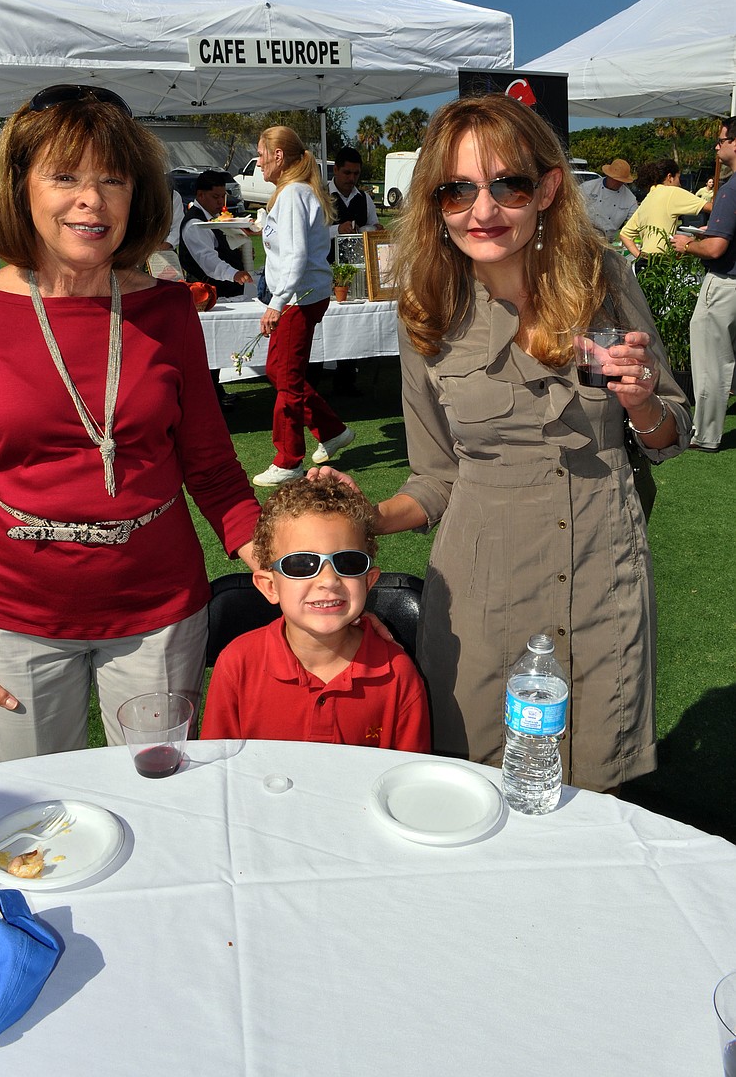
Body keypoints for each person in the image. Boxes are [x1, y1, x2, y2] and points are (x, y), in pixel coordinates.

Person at [312, 94, 691, 793]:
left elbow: (672, 433)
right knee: (482, 784)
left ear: (547, 188)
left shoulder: (603, 280)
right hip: (483, 588)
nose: (482, 210)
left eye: (507, 184)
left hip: (601, 567)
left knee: (595, 787)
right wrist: (369, 514)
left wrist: (640, 403)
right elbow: (435, 477)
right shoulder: (425, 312)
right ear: (435, 203)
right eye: (457, 190)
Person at [0, 84, 260, 762]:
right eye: (66, 175)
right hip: (17, 614)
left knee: (163, 797)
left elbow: (214, 469)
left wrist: (284, 564)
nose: (91, 198)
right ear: (21, 188)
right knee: (42, 812)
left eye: (113, 178)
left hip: (160, 610)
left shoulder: (166, 311)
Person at [201, 478, 430, 751]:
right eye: (301, 564)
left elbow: (410, 783)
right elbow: (218, 772)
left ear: (368, 581)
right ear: (270, 586)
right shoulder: (237, 665)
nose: (329, 580)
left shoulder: (398, 674)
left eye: (347, 562)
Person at [252, 126, 355, 487]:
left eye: (262, 154)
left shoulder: (293, 194)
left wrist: (277, 303)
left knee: (288, 381)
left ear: (279, 156)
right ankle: (332, 431)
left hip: (297, 298)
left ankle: (288, 460)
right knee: (279, 371)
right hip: (302, 296)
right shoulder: (294, 192)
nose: (259, 162)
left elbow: (296, 254)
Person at [672, 119, 736, 451]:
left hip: (726, 283)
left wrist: (687, 245)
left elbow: (714, 247)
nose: (717, 146)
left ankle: (706, 435)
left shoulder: (730, 189)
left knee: (711, 363)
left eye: (721, 140)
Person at [178, 170, 253, 412]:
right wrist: (234, 274)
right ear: (200, 195)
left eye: (223, 196)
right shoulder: (194, 223)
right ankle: (205, 397)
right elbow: (208, 260)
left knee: (217, 344)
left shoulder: (215, 217)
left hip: (223, 288)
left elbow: (233, 243)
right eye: (216, 197)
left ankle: (214, 390)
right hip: (203, 292)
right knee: (207, 345)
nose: (221, 202)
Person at [325, 146, 380, 396]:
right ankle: (316, 375)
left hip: (356, 267)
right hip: (324, 266)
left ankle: (347, 377)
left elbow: (372, 225)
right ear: (335, 169)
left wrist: (369, 229)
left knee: (351, 322)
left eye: (356, 173)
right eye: (347, 172)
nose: (352, 178)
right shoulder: (321, 195)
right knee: (324, 322)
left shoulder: (364, 198)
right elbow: (309, 233)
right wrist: (338, 230)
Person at [619, 159, 711, 268]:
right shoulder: (671, 192)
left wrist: (639, 256)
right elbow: (712, 208)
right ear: (669, 177)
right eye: (678, 178)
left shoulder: (649, 197)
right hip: (661, 262)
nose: (680, 183)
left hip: (644, 262)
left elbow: (625, 234)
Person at [578, 158, 638, 241]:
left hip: (608, 240)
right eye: (615, 180)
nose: (618, 183)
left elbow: (635, 222)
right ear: (608, 175)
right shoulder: (587, 188)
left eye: (621, 181)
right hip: (583, 237)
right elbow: (572, 210)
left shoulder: (630, 199)